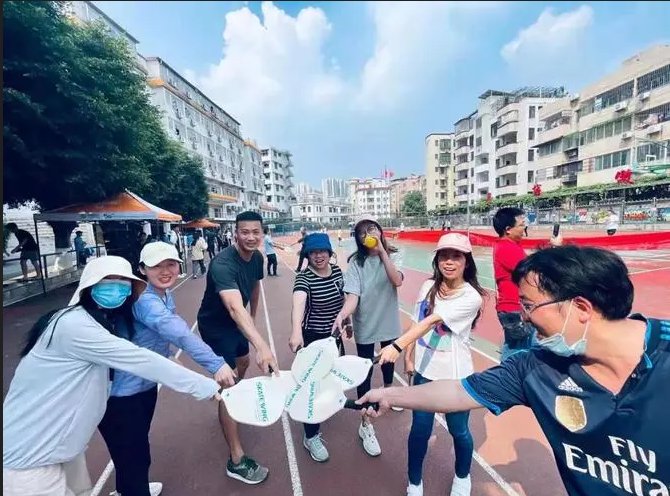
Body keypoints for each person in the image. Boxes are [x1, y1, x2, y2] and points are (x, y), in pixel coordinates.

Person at [360, 245, 670, 496]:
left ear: (581, 308)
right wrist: (390, 394)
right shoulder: (535, 368)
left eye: (529, 305)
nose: (523, 318)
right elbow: (458, 391)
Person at [3, 256, 221, 496]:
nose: (116, 288)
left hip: (58, 447)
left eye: (123, 282)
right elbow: (140, 359)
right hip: (30, 457)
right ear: (89, 286)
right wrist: (206, 387)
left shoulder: (90, 321)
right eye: (108, 280)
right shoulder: (75, 326)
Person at [99, 243, 236, 496]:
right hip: (123, 393)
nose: (165, 271)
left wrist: (169, 354)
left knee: (133, 450)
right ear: (142, 269)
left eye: (170, 264)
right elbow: (178, 332)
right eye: (156, 266)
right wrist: (216, 364)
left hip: (143, 383)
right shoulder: (145, 300)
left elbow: (147, 336)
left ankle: (128, 490)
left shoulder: (162, 293)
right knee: (134, 453)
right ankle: (133, 490)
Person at [377, 233, 485, 496]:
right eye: (444, 256)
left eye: (456, 256)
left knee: (459, 431)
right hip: (425, 373)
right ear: (436, 260)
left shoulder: (471, 297)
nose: (449, 262)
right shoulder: (428, 287)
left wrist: (395, 346)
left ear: (467, 262)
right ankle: (414, 482)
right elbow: (417, 321)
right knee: (419, 430)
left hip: (455, 378)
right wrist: (409, 356)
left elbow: (432, 321)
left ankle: (462, 477)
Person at [197, 211, 279, 485]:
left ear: (262, 234)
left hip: (238, 324)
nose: (251, 237)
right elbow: (233, 307)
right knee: (230, 383)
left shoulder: (257, 259)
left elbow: (254, 287)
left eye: (256, 232)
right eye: (245, 232)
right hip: (216, 327)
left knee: (243, 363)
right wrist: (262, 344)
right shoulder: (222, 264)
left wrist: (252, 319)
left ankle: (229, 398)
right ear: (235, 234)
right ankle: (236, 459)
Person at [332, 214, 403, 457]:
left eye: (372, 229)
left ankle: (389, 392)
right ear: (359, 240)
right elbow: (353, 297)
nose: (368, 235)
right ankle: (365, 423)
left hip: (388, 319)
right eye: (362, 233)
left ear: (380, 231)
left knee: (389, 359)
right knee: (365, 370)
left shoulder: (393, 255)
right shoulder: (356, 264)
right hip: (366, 322)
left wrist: (383, 252)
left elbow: (396, 281)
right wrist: (343, 314)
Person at [289, 233, 346, 463]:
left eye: (322, 251)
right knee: (310, 386)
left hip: (333, 338)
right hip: (312, 339)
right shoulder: (304, 278)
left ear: (329, 252)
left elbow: (343, 301)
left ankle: (322, 407)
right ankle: (310, 436)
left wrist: (347, 323)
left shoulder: (337, 272)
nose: (318, 256)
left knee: (329, 378)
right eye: (313, 252)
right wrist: (296, 331)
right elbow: (298, 304)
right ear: (307, 255)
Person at [492, 207, 537, 360]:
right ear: (508, 229)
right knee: (517, 352)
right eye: (521, 224)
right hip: (514, 308)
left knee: (520, 349)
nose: (525, 227)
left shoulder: (509, 245)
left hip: (515, 308)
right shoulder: (507, 248)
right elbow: (532, 270)